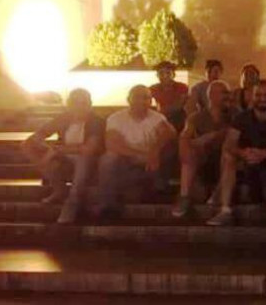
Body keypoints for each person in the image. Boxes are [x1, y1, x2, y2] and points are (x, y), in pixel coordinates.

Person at [208, 80, 266, 227]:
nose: (262, 99)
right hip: (248, 159)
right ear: (252, 97)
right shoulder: (242, 118)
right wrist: (243, 153)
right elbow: (229, 143)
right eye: (258, 95)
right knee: (228, 157)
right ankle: (225, 210)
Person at [22, 89, 105, 224]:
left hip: (90, 161)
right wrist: (45, 146)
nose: (79, 107)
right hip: (64, 158)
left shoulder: (96, 121)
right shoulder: (63, 118)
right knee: (27, 146)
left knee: (83, 160)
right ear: (69, 104)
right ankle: (59, 189)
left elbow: (89, 149)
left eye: (83, 103)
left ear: (90, 104)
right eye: (75, 103)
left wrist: (57, 150)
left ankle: (72, 202)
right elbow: (36, 137)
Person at [95, 85, 177, 219]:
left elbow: (170, 133)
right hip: (125, 161)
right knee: (108, 159)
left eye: (146, 98)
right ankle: (107, 206)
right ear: (129, 99)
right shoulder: (116, 118)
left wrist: (155, 150)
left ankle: (153, 191)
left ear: (150, 101)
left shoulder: (157, 117)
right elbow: (112, 145)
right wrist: (143, 155)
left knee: (168, 152)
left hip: (150, 164)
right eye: (137, 97)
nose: (142, 101)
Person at [172, 80, 231, 218]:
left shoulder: (235, 113)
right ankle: (184, 196)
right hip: (204, 159)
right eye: (224, 93)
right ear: (212, 95)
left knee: (228, 153)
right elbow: (185, 136)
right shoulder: (196, 117)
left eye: (229, 93)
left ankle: (218, 194)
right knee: (188, 148)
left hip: (228, 159)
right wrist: (191, 146)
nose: (228, 97)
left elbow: (237, 133)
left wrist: (212, 136)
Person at [150, 61, 189, 131]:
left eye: (168, 73)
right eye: (161, 73)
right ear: (157, 75)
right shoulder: (153, 88)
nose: (165, 76)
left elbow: (178, 106)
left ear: (173, 75)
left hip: (178, 119)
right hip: (159, 119)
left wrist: (160, 112)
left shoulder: (182, 87)